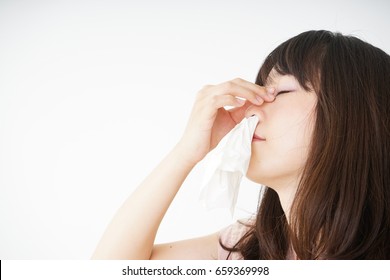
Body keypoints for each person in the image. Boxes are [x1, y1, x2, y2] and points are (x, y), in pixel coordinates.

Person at [92, 30, 390, 260]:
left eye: (281, 91)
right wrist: (186, 152)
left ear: (352, 114)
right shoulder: (248, 248)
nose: (249, 110)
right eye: (260, 91)